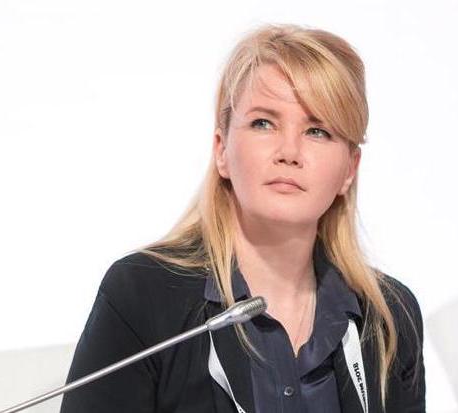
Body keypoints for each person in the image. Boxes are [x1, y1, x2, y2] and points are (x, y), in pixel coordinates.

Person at [60, 23, 425, 413]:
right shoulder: (142, 293)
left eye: (317, 131)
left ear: (349, 169)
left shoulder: (390, 316)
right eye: (263, 123)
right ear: (222, 150)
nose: (289, 152)